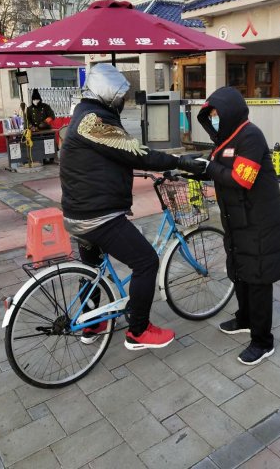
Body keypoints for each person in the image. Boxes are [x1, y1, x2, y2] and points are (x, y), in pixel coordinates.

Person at [59, 63, 206, 350]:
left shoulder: (83, 115)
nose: (122, 101)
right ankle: (138, 331)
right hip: (98, 216)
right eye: (120, 96)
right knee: (146, 262)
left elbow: (103, 160)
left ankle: (91, 323)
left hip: (79, 212)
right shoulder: (93, 121)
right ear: (107, 94)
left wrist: (126, 173)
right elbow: (135, 152)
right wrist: (180, 162)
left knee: (94, 268)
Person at [197, 87, 280, 366]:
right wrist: (193, 168)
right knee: (240, 271)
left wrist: (208, 168)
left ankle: (262, 341)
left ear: (230, 112)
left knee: (258, 277)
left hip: (259, 221)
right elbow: (217, 170)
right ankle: (245, 319)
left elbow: (241, 179)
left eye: (217, 114)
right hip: (237, 220)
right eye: (211, 115)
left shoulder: (250, 136)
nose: (214, 119)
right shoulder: (224, 140)